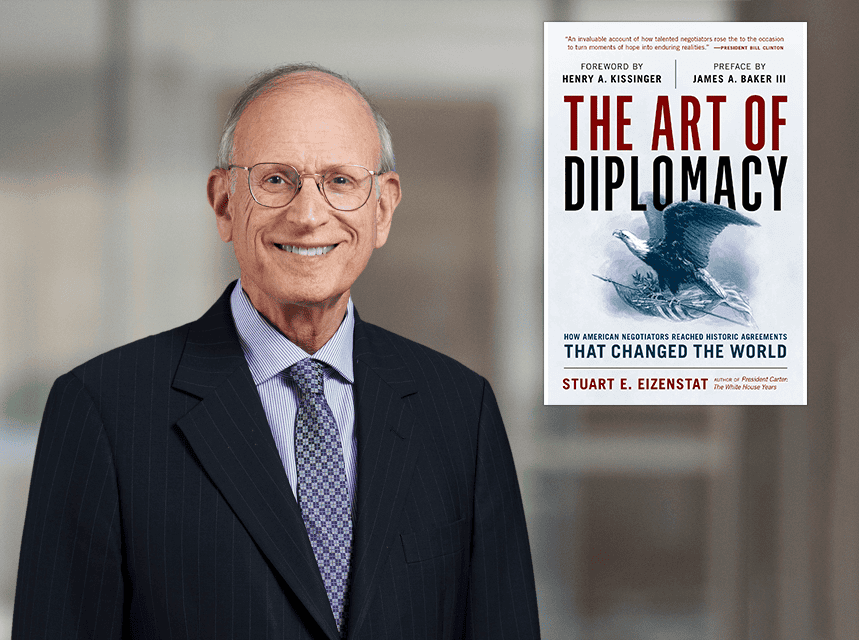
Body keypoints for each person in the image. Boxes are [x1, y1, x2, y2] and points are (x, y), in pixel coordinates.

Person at [13, 63, 540, 639]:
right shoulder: (103, 412)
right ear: (223, 203)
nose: (309, 214)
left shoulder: (461, 411)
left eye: (340, 181)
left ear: (383, 208)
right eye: (275, 180)